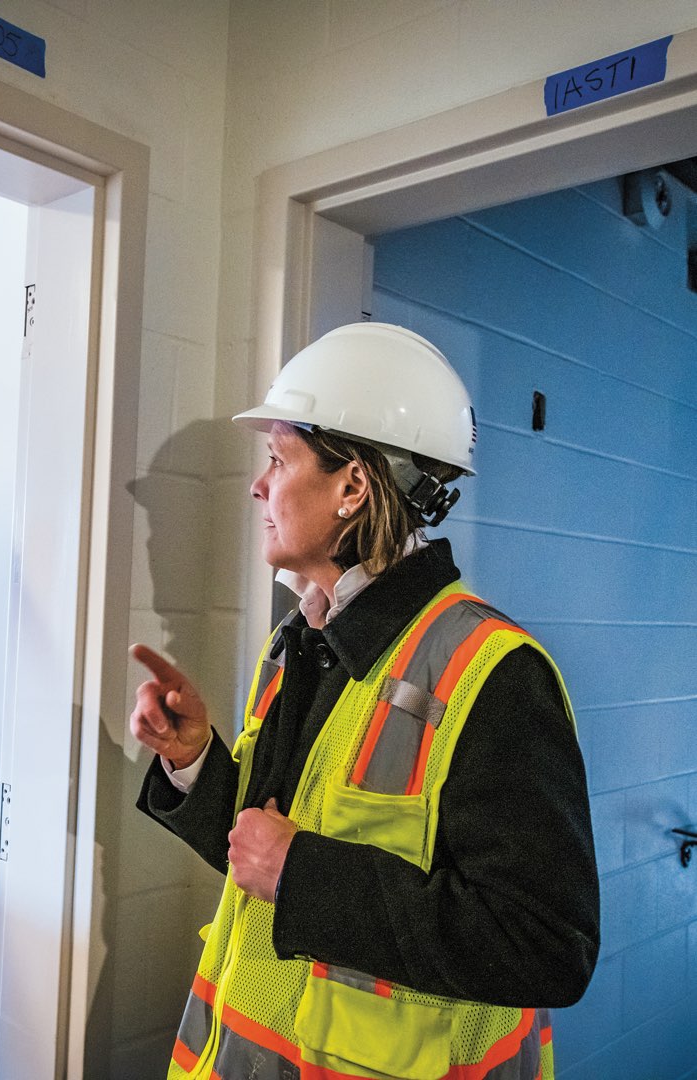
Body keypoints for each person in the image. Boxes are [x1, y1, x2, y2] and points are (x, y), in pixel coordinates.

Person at [130, 322, 599, 1079]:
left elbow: (546, 945)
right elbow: (260, 845)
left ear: (353, 486)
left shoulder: (496, 674)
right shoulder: (300, 639)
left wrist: (301, 876)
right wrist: (194, 763)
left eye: (278, 459)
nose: (257, 485)